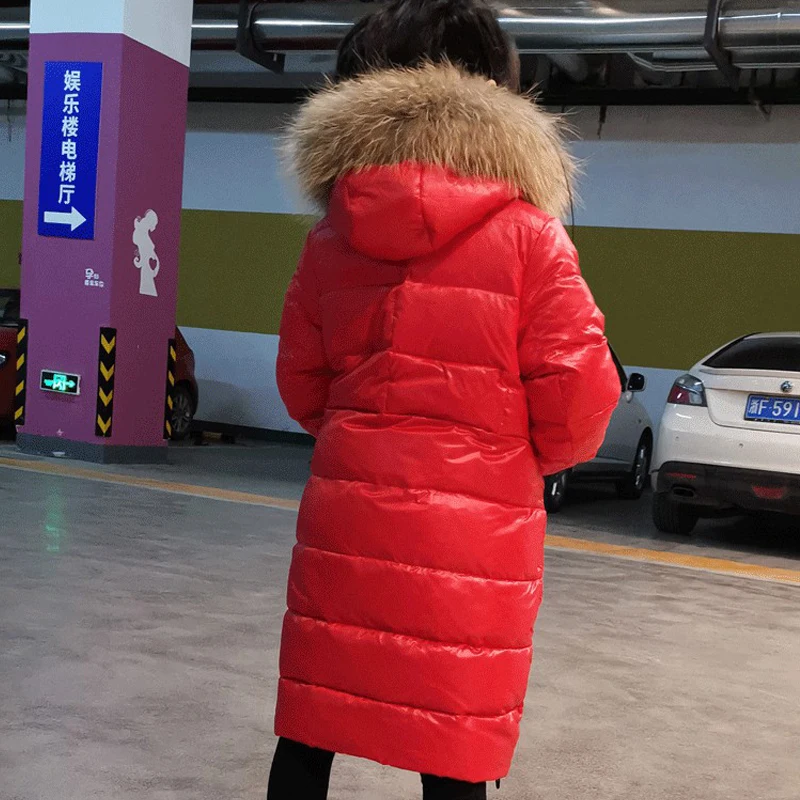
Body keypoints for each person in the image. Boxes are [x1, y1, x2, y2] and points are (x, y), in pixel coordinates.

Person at [270, 1, 621, 798]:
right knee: (453, 737)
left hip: (349, 518)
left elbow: (301, 385)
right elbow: (579, 400)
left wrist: (367, 440)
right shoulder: (531, 236)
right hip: (477, 538)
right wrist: (508, 462)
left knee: (315, 720)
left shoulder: (330, 238)